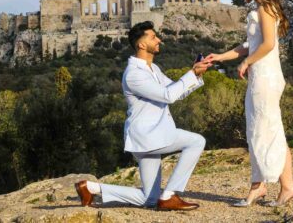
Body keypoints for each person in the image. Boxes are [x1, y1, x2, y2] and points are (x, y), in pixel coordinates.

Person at [75, 21, 211, 211]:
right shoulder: (134, 74)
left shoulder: (153, 69)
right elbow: (167, 96)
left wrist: (196, 75)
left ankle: (90, 188)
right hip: (148, 136)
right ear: (141, 44)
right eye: (153, 37)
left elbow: (176, 92)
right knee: (196, 141)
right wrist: (190, 73)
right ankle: (171, 194)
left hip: (151, 138)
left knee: (149, 199)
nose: (159, 40)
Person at [206, 0, 293, 207]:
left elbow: (267, 44)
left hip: (265, 77)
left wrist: (246, 63)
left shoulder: (264, 7)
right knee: (261, 130)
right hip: (263, 76)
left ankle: (278, 187)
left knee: (266, 131)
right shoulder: (263, 7)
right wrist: (220, 57)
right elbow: (250, 44)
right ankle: (269, 187)